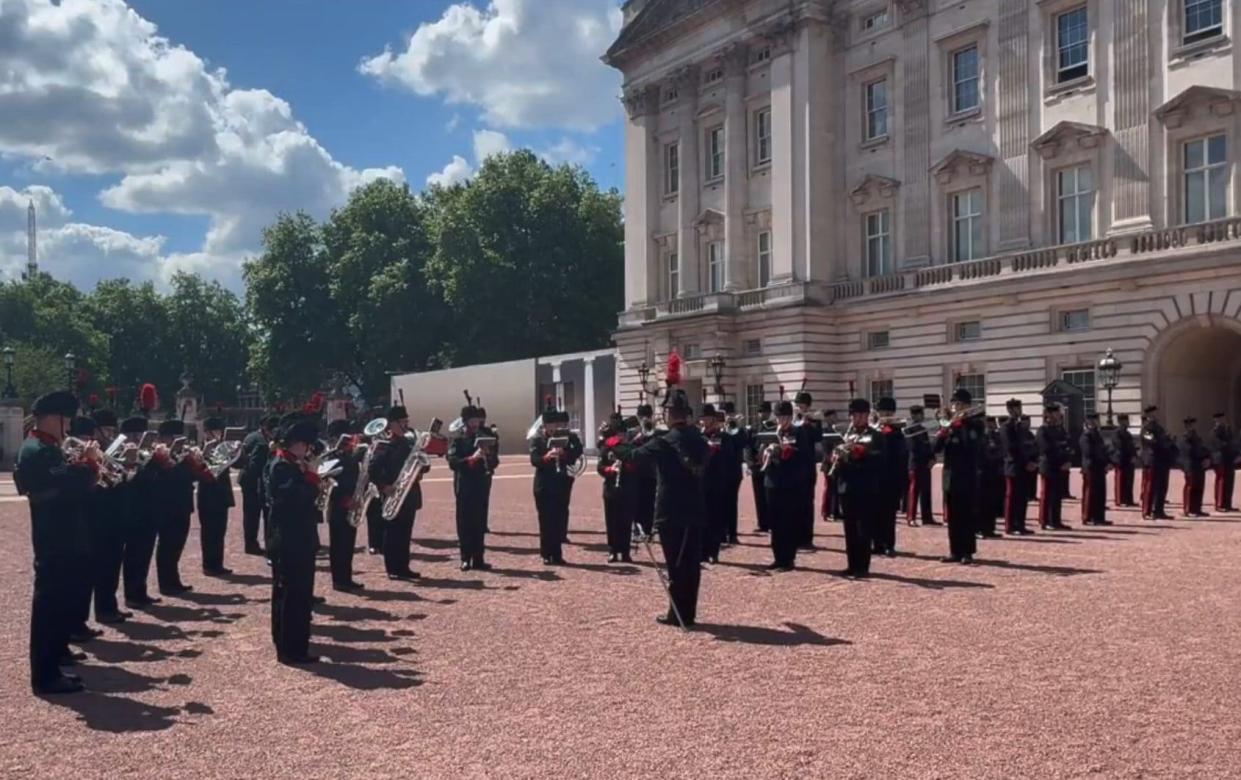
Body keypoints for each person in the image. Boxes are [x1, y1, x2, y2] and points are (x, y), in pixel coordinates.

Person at [15, 391, 97, 695]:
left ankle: (58, 655)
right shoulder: (38, 450)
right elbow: (68, 486)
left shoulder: (47, 447)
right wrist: (88, 465)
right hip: (54, 538)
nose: (69, 427)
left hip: (64, 535)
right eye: (67, 420)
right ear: (54, 418)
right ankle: (46, 675)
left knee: (60, 602)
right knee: (49, 607)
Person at [626, 389, 709, 627]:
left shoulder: (665, 441)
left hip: (671, 511)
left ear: (669, 414)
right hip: (695, 509)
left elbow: (634, 456)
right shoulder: (699, 440)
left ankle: (678, 615)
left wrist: (619, 442)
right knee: (691, 565)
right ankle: (687, 612)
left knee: (676, 566)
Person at [267, 416, 323, 665]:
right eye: (305, 445)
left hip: (297, 537)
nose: (307, 450)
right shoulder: (282, 465)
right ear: (296, 443)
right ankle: (292, 648)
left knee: (295, 594)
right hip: (291, 538)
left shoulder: (289, 463)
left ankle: (291, 644)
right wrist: (312, 479)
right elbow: (293, 499)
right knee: (293, 595)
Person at [368, 405, 426, 580]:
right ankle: (393, 568)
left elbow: (423, 465)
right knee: (393, 532)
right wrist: (383, 486)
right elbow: (373, 470)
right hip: (392, 492)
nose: (406, 425)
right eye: (402, 422)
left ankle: (404, 566)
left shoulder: (409, 443)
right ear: (392, 424)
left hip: (409, 492)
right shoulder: (384, 445)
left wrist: (421, 463)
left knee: (405, 532)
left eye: (406, 421)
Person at [833, 398, 884, 577]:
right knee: (850, 528)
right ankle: (851, 564)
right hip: (847, 487)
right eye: (854, 415)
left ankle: (862, 566)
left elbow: (879, 459)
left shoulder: (875, 435)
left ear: (867, 416)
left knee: (863, 529)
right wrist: (837, 457)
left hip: (865, 487)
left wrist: (861, 452)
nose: (856, 418)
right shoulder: (846, 436)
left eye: (860, 415)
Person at [88, 408, 130, 624]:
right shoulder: (94, 452)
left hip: (116, 513)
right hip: (100, 515)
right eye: (106, 429)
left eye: (113, 429)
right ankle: (103, 609)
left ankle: (110, 605)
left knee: (114, 562)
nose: (110, 433)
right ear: (96, 431)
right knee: (103, 564)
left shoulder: (113, 450)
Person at [151, 419, 201, 595]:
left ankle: (174, 579)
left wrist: (193, 462)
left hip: (183, 503)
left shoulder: (183, 454)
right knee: (167, 545)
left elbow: (193, 476)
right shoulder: (158, 454)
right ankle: (166, 582)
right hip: (166, 505)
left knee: (178, 544)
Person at [447, 403, 499, 571]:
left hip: (481, 485)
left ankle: (479, 558)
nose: (476, 423)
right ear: (466, 421)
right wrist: (471, 459)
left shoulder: (485, 438)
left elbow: (495, 462)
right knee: (464, 523)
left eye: (477, 420)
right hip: (465, 486)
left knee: (479, 523)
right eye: (472, 420)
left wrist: (489, 456)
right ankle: (465, 558)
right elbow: (453, 462)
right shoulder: (459, 440)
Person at [529, 406, 583, 565]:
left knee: (558, 519)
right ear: (544, 426)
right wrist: (546, 457)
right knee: (546, 520)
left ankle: (557, 554)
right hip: (544, 485)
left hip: (560, 483)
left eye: (555, 426)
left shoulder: (564, 439)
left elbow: (576, 452)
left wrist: (564, 454)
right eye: (550, 426)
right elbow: (534, 460)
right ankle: (546, 553)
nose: (553, 429)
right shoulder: (538, 440)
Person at [933, 389, 982, 563]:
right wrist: (943, 432)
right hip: (950, 476)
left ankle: (967, 552)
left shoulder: (975, 424)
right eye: (954, 404)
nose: (956, 407)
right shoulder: (949, 425)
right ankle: (955, 551)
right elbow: (936, 449)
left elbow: (972, 445)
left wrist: (960, 426)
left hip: (967, 475)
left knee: (967, 515)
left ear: (968, 406)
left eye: (960, 404)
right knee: (952, 516)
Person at [120, 416, 161, 608]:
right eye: (135, 435)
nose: (138, 438)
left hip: (149, 509)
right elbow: (129, 479)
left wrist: (155, 461)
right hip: (131, 509)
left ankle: (140, 590)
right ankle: (132, 594)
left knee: (145, 552)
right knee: (134, 555)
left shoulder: (146, 453)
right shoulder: (123, 452)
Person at [323, 420, 363, 591]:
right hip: (339, 505)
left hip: (351, 503)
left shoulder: (348, 456)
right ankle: (339, 579)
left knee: (348, 543)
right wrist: (346, 499)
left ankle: (346, 577)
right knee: (339, 544)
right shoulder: (332, 457)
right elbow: (332, 484)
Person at [767, 401, 806, 571]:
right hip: (772, 482)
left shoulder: (798, 432)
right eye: (779, 416)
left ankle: (788, 558)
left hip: (789, 483)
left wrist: (786, 451)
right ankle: (778, 557)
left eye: (784, 416)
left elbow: (803, 456)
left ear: (790, 417)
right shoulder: (770, 433)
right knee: (775, 523)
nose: (781, 420)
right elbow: (756, 451)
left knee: (788, 522)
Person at [699, 403, 738, 564]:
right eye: (703, 419)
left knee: (715, 518)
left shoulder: (724, 437)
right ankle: (702, 551)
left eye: (708, 418)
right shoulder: (698, 436)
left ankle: (713, 552)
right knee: (701, 518)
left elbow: (729, 460)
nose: (705, 422)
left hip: (716, 482)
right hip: (701, 483)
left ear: (714, 420)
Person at [197, 417, 235, 576]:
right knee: (209, 532)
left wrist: (237, 451)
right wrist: (205, 452)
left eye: (220, 431)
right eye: (215, 431)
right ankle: (208, 564)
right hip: (207, 495)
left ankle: (217, 563)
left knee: (220, 531)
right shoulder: (199, 449)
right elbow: (197, 470)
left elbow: (239, 464)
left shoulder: (223, 447)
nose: (218, 435)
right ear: (207, 433)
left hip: (222, 494)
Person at [596, 410, 635, 563]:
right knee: (611, 521)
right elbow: (600, 467)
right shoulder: (607, 448)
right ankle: (613, 550)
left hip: (628, 488)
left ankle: (625, 552)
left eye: (623, 434)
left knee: (626, 521)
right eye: (619, 434)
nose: (621, 437)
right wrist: (610, 470)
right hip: (611, 489)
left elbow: (638, 466)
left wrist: (626, 466)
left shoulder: (631, 448)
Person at [239, 415, 277, 556]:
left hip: (247, 480)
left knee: (250, 514)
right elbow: (256, 466)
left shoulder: (251, 436)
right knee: (256, 514)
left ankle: (251, 543)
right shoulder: (262, 444)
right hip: (254, 482)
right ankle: (259, 544)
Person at [871, 397, 904, 555]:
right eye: (880, 411)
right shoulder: (872, 429)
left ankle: (888, 544)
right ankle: (876, 544)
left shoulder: (897, 432)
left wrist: (888, 432)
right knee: (874, 511)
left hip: (890, 476)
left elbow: (900, 453)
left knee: (889, 514)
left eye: (885, 411)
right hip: (875, 476)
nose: (882, 414)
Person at [793, 391, 822, 549]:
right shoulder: (792, 419)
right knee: (794, 502)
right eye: (798, 404)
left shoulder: (813, 420)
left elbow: (818, 437)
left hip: (807, 465)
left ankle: (807, 537)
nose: (799, 407)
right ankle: (796, 536)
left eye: (802, 404)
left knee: (807, 503)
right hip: (794, 466)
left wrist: (807, 423)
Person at [1001, 400, 1035, 535]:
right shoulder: (1006, 427)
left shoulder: (1020, 426)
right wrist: (1025, 462)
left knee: (1022, 497)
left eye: (1020, 407)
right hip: (1014, 466)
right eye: (1016, 408)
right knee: (1012, 497)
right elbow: (1011, 448)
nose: (1019, 410)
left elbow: (1027, 446)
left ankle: (1020, 524)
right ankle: (1010, 525)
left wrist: (1031, 461)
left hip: (1024, 466)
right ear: (1010, 410)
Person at [1037, 404, 1072, 531]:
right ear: (1049, 414)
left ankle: (1056, 520)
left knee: (1057, 495)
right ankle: (1045, 520)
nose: (1059, 415)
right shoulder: (1043, 430)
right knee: (1047, 494)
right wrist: (1060, 460)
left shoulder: (1060, 429)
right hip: (1049, 465)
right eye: (1056, 413)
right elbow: (1046, 449)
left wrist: (1067, 461)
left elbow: (1066, 445)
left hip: (1059, 466)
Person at [1140, 406, 1175, 520]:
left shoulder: (1159, 427)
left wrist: (1169, 440)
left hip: (1162, 460)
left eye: (1155, 413)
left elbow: (1163, 439)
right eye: (1152, 414)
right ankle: (1147, 511)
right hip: (1152, 460)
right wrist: (1164, 440)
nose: (1154, 416)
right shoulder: (1145, 429)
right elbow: (1152, 441)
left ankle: (1159, 510)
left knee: (1162, 486)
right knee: (1150, 487)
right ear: (1148, 415)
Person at [631, 403, 659, 539]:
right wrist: (636, 440)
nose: (644, 419)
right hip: (636, 472)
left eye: (647, 416)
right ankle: (637, 528)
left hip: (651, 472)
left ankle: (647, 530)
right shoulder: (632, 432)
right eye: (642, 416)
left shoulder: (655, 432)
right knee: (636, 502)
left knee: (649, 502)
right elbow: (627, 450)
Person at [905, 405, 936, 526]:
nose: (921, 416)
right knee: (914, 491)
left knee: (926, 491)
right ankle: (911, 517)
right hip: (916, 464)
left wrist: (932, 458)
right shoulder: (909, 429)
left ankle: (927, 517)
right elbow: (913, 448)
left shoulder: (922, 429)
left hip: (925, 464)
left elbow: (927, 445)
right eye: (919, 414)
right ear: (914, 415)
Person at [719, 402, 745, 545]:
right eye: (725, 414)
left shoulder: (737, 429)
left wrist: (736, 428)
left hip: (734, 471)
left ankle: (732, 534)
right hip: (720, 471)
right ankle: (722, 533)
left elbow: (742, 444)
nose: (728, 416)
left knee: (731, 503)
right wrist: (722, 429)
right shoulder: (718, 430)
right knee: (720, 503)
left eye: (729, 413)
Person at [1079, 413, 1111, 526]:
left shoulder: (1097, 434)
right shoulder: (1086, 435)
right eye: (1093, 420)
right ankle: (1088, 516)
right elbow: (1089, 452)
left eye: (1096, 420)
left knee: (1100, 493)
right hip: (1091, 467)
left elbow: (1104, 450)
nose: (1096, 422)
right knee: (1090, 493)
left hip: (1099, 467)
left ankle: (1099, 517)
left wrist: (1107, 462)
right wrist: (1103, 461)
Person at [748, 401, 774, 533]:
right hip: (756, 466)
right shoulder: (753, 428)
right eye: (761, 412)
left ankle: (770, 523)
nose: (763, 414)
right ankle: (761, 523)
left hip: (767, 465)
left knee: (768, 495)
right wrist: (750, 463)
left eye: (765, 412)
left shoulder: (772, 427)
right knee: (758, 496)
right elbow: (748, 446)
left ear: (769, 413)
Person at [1179, 417, 1211, 518]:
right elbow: (1190, 451)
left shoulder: (1197, 437)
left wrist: (1207, 457)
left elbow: (1204, 448)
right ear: (1186, 426)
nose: (1192, 427)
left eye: (1193, 425)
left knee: (1199, 487)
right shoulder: (1185, 438)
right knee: (1190, 487)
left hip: (1199, 465)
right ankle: (1188, 509)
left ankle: (1197, 509)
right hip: (1190, 465)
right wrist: (1203, 456)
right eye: (1190, 425)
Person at [979, 416, 1004, 538]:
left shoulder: (996, 436)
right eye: (988, 424)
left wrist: (994, 453)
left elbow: (1002, 450)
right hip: (982, 472)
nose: (991, 427)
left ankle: (990, 529)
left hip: (993, 471)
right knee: (981, 503)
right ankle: (979, 529)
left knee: (991, 502)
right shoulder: (980, 437)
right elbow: (983, 453)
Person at [1210, 412, 1236, 512]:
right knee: (1221, 481)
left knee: (1229, 481)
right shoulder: (1215, 431)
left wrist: (1236, 454)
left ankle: (1227, 503)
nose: (1222, 421)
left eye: (1223, 418)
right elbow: (1219, 444)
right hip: (1220, 458)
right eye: (1220, 419)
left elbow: (1233, 442)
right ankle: (1220, 504)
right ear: (1216, 420)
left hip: (1229, 458)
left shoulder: (1227, 429)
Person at [1111, 413, 1138, 507]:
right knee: (1120, 480)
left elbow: (1132, 446)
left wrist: (1134, 456)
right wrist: (1129, 455)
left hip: (1129, 460)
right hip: (1121, 459)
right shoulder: (1116, 433)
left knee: (1129, 480)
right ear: (1120, 422)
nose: (1127, 422)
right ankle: (1120, 500)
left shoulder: (1128, 433)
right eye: (1125, 420)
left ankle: (1128, 499)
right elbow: (1119, 446)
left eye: (1127, 420)